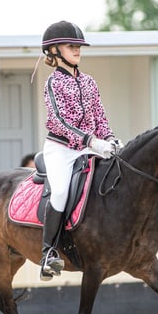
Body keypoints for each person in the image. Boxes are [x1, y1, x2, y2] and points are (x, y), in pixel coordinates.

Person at [38, 20, 122, 281]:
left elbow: (100, 116)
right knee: (61, 191)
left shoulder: (89, 82)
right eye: (71, 46)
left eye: (78, 46)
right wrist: (91, 141)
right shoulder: (53, 84)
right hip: (61, 149)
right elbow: (59, 122)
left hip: (90, 147)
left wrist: (109, 138)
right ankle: (48, 253)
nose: (77, 50)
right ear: (54, 51)